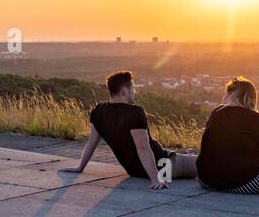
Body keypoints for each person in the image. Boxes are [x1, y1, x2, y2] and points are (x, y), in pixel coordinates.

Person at [62, 70, 197, 190]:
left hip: (134, 170)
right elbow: (142, 148)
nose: (135, 92)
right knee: (203, 164)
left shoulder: (98, 111)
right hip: (164, 165)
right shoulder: (135, 112)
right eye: (133, 89)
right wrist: (156, 179)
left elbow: (91, 143)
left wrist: (80, 167)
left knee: (184, 155)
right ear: (124, 91)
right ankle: (191, 157)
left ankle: (187, 154)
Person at [196, 77, 259, 194]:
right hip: (245, 183)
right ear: (252, 97)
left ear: (229, 94)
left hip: (207, 181)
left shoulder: (216, 113)